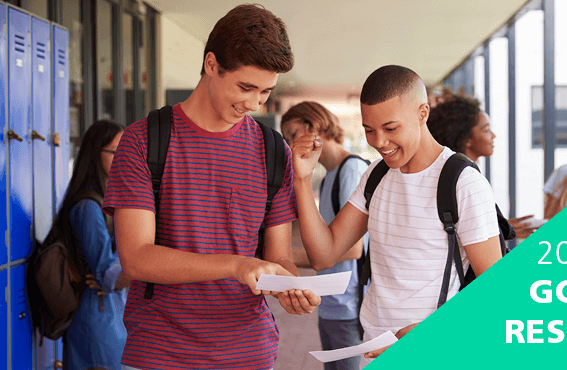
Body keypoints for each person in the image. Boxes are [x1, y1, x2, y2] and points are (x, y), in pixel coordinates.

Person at [102, 5, 320, 370]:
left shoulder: (272, 150)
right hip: (161, 353)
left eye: (265, 92)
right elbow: (136, 257)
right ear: (212, 64)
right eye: (245, 87)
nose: (253, 104)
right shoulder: (143, 140)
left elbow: (278, 256)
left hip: (249, 352)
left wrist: (289, 287)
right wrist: (236, 265)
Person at [290, 65, 502, 367]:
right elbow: (325, 254)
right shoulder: (376, 175)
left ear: (422, 113)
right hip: (373, 349)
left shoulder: (462, 182)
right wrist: (302, 179)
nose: (378, 141)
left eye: (390, 128)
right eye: (369, 130)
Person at [281, 101, 368, 370]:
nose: (290, 145)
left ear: (315, 127)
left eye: (293, 135)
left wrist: (286, 258)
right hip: (331, 302)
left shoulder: (351, 169)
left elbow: (353, 249)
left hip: (349, 305)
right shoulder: (329, 175)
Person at [47, 120, 130, 370]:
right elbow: (110, 277)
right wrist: (147, 274)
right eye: (117, 152)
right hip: (97, 323)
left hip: (111, 317)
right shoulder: (88, 208)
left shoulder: (109, 200)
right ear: (96, 152)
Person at [427, 94, 539, 239]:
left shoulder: (449, 173)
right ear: (466, 139)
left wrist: (500, 228)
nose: (493, 135)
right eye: (486, 130)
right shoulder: (466, 179)